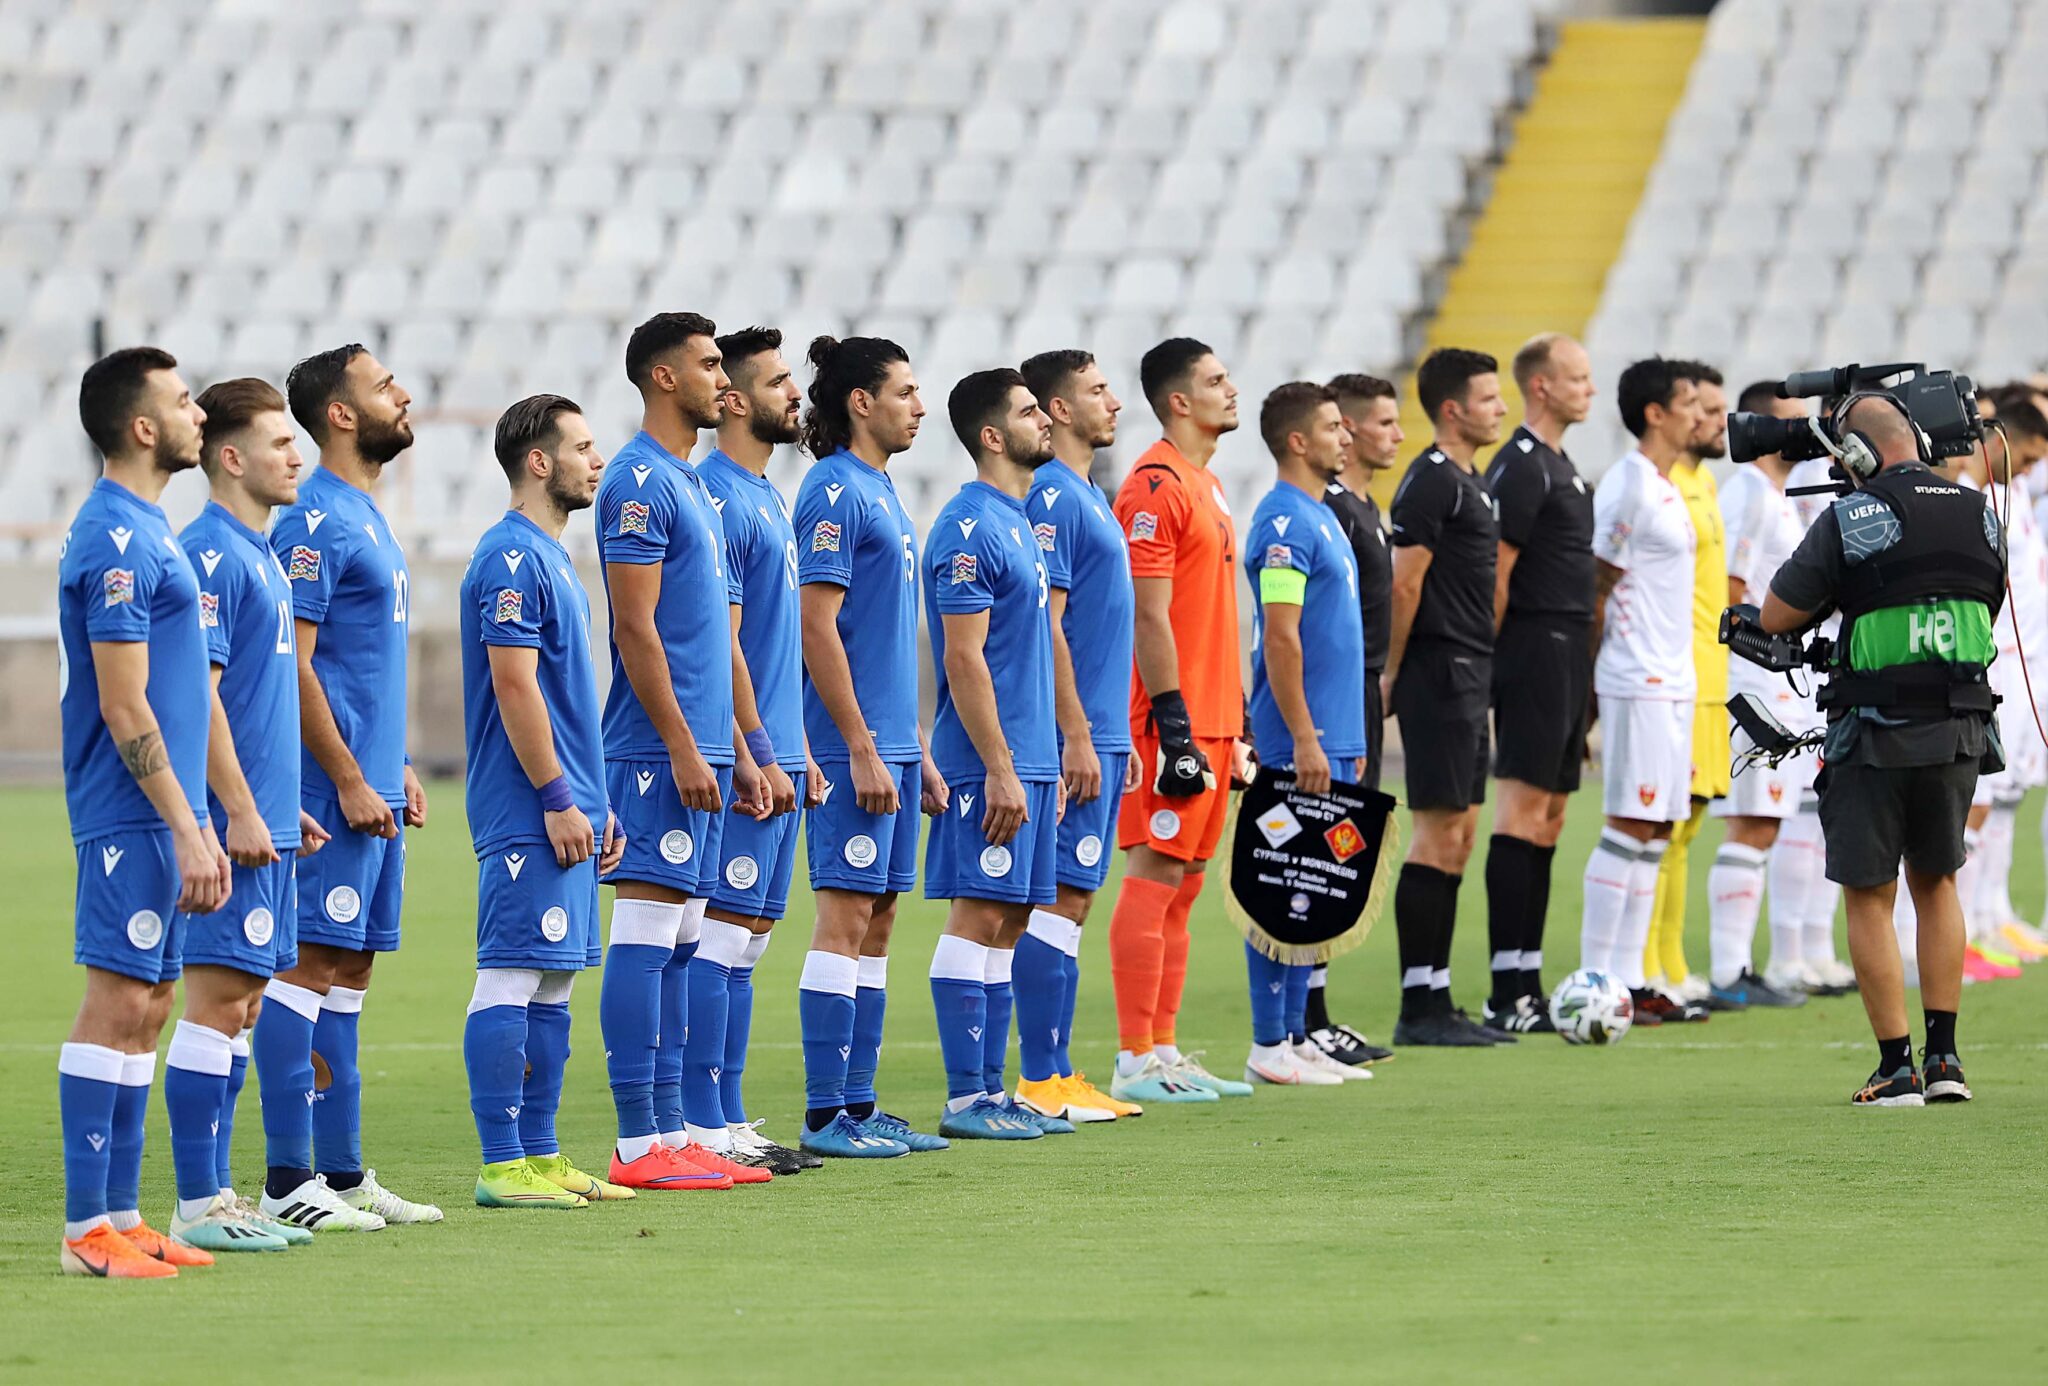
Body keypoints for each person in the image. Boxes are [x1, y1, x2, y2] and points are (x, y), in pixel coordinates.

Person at [1759, 394, 2003, 1105]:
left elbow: (1776, 616)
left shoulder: (1850, 515)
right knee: (1939, 882)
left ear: (1856, 456)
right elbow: (1983, 601)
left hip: (1873, 728)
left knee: (1871, 893)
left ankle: (1895, 1065)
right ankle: (1946, 1060)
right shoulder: (1979, 511)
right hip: (1960, 725)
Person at [56, 348, 229, 1278]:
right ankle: (86, 1231)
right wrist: (186, 823)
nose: (198, 412)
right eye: (182, 400)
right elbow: (126, 705)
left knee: (152, 1004)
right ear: (141, 426)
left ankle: (119, 1216)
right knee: (118, 999)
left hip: (162, 815)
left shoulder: (151, 531)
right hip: (132, 813)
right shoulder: (115, 539)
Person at [267, 345, 441, 1225]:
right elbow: (290, 667)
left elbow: (355, 668)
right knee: (304, 970)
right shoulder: (310, 520)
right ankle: (288, 1181)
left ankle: (340, 1173)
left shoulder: (365, 515)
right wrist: (343, 775)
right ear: (340, 413)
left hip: (370, 791)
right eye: (383, 387)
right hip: (325, 796)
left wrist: (392, 765)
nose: (402, 395)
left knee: (351, 972)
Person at [172, 378, 338, 1251]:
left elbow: (253, 705)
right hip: (225, 827)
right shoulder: (210, 554)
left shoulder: (261, 555)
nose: (296, 455)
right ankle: (198, 1203)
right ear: (230, 458)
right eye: (279, 443)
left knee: (239, 1008)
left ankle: (220, 1197)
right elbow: (195, 701)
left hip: (267, 824)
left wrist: (279, 812)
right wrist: (237, 810)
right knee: (215, 1000)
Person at [591, 312, 754, 1191]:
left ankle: (670, 1129)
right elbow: (635, 628)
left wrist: (736, 746)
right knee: (651, 933)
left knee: (687, 937)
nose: (720, 379)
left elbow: (704, 636)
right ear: (662, 378)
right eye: (707, 364)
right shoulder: (638, 482)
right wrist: (686, 747)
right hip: (658, 752)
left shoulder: (687, 482)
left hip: (700, 748)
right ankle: (635, 1143)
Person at [459, 396, 630, 1209]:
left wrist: (596, 803)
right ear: (538, 461)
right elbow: (514, 684)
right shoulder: (511, 559)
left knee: (555, 981)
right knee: (511, 974)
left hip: (569, 806)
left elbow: (561, 698)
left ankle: (541, 1152)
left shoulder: (555, 558)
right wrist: (559, 797)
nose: (597, 461)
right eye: (583, 447)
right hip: (529, 807)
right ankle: (500, 1163)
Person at [791, 336, 950, 1158]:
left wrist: (911, 742)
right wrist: (855, 744)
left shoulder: (885, 492)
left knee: (880, 923)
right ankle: (824, 1115)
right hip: (850, 748)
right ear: (861, 402)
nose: (919, 406)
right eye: (904, 392)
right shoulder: (831, 491)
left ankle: (859, 1103)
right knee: (844, 919)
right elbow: (817, 629)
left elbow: (884, 637)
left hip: (891, 743)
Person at [923, 369, 1070, 1140]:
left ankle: (990, 1090)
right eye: (1026, 412)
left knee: (1010, 921)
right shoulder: (968, 527)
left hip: (1030, 758)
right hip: (990, 762)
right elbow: (963, 658)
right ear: (990, 435)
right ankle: (964, 1098)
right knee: (978, 916)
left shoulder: (1017, 520)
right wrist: (1003, 766)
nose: (1044, 418)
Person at [1106, 337, 1254, 1104]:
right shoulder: (1155, 487)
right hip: (1175, 721)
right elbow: (1149, 615)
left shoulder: (1208, 483)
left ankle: (1164, 1047)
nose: (1233, 390)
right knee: (1155, 873)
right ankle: (1134, 1054)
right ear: (1178, 401)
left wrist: (1236, 718)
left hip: (1217, 718)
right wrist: (1172, 724)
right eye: (1216, 380)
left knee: (1188, 884)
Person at [697, 327, 824, 1174]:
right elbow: (727, 643)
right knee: (717, 932)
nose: (795, 396)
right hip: (748, 754)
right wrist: (755, 745)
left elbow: (779, 648)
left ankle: (730, 1116)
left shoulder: (765, 496)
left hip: (781, 748)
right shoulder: (717, 497)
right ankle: (700, 1121)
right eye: (780, 383)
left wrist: (799, 745)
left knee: (749, 936)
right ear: (735, 401)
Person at [1017, 349, 1142, 1121]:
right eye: (1097, 391)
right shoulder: (1055, 499)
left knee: (1077, 899)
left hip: (1102, 728)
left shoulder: (1087, 492)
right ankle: (1041, 1075)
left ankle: (1059, 1070)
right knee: (1058, 899)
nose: (1114, 403)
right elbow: (1050, 625)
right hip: (1078, 731)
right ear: (1057, 409)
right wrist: (1076, 734)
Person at [1241, 382, 1373, 1086]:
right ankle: (1269, 1045)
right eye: (1331, 427)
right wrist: (1304, 736)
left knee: (1317, 889)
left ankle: (1295, 1035)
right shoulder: (1285, 525)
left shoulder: (1322, 518)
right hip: (1305, 740)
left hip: (1334, 736)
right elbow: (1282, 640)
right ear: (1298, 441)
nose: (1345, 437)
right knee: (1283, 888)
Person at [1384, 347, 1509, 1046]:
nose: (1501, 410)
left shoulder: (1475, 481)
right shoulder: (1431, 482)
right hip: (1437, 670)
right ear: (1454, 409)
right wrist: (1394, 671)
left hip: (1471, 668)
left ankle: (1436, 993)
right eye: (1490, 399)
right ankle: (1417, 1004)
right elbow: (1407, 584)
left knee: (1460, 833)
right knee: (1438, 832)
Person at [1578, 358, 1704, 1025]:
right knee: (1630, 821)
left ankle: (1632, 979)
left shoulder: (1666, 485)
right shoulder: (1628, 486)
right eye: (1687, 403)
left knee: (1656, 827)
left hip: (1671, 679)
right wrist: (1591, 684)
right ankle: (1600, 976)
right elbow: (1597, 582)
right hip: (1637, 678)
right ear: (1655, 413)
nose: (1698, 415)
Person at [1480, 333, 1596, 1034]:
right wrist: (1497, 660)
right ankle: (1505, 988)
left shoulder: (1563, 465)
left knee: (1551, 817)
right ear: (1543, 387)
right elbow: (1496, 572)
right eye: (1577, 378)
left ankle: (1527, 976)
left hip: (1568, 651)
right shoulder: (1520, 466)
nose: (1589, 387)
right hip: (1532, 648)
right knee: (1521, 813)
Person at [1702, 382, 1813, 1008]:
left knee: (1766, 825)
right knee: (1751, 822)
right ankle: (1728, 974)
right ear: (1765, 428)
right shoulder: (1747, 492)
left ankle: (1738, 967)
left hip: (1781, 680)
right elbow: (1731, 589)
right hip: (1754, 682)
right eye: (1794, 423)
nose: (1804, 433)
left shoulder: (1779, 495)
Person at [1305, 372, 1401, 1067]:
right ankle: (1302, 1017)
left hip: (1362, 686)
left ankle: (1315, 1013)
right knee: (1316, 854)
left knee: (1342, 854)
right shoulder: (1330, 508)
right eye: (1381, 423)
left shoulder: (1366, 505)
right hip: (1331, 694)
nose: (1394, 435)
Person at [1639, 361, 1728, 1013]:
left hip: (1709, 676)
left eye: (1716, 409)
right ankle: (1650, 965)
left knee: (1689, 824)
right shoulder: (1658, 486)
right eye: (1700, 408)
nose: (1711, 421)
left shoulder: (1702, 482)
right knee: (1663, 825)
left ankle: (1671, 957)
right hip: (1675, 674)